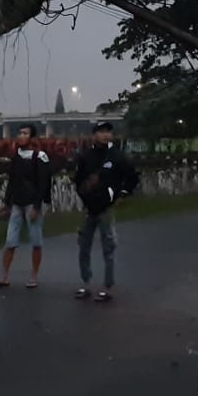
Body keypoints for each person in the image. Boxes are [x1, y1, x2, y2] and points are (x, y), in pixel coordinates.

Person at [73, 121, 138, 302]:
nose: (105, 135)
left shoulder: (117, 156)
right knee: (83, 246)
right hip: (88, 209)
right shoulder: (86, 156)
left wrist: (123, 194)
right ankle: (86, 284)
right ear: (94, 135)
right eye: (101, 132)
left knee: (108, 247)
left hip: (106, 209)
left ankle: (107, 287)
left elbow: (132, 176)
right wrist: (84, 196)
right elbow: (78, 180)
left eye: (108, 132)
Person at [0, 124, 52, 290]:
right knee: (10, 241)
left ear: (32, 138)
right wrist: (6, 203)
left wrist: (38, 206)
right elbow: (12, 181)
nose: (21, 136)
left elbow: (43, 183)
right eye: (20, 133)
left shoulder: (40, 157)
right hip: (17, 204)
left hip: (33, 203)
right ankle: (4, 277)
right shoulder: (16, 156)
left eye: (25, 133)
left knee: (36, 241)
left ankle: (33, 276)